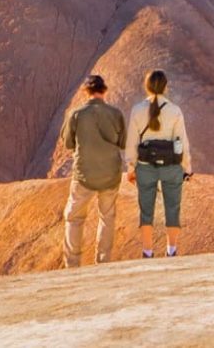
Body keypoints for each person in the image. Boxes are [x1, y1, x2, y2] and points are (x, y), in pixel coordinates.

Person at [59, 73, 127, 267]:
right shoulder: (116, 114)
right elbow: (123, 143)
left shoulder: (76, 114)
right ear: (104, 91)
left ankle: (72, 264)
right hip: (111, 175)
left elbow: (68, 142)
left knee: (74, 217)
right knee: (107, 217)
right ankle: (103, 262)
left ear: (86, 92)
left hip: (84, 175)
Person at [124, 68, 193, 258]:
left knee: (146, 210)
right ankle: (171, 250)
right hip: (171, 167)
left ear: (146, 87)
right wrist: (187, 168)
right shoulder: (175, 111)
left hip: (145, 166)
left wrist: (131, 168)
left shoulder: (137, 110)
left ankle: (147, 251)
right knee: (172, 207)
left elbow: (132, 143)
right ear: (165, 87)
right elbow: (181, 143)